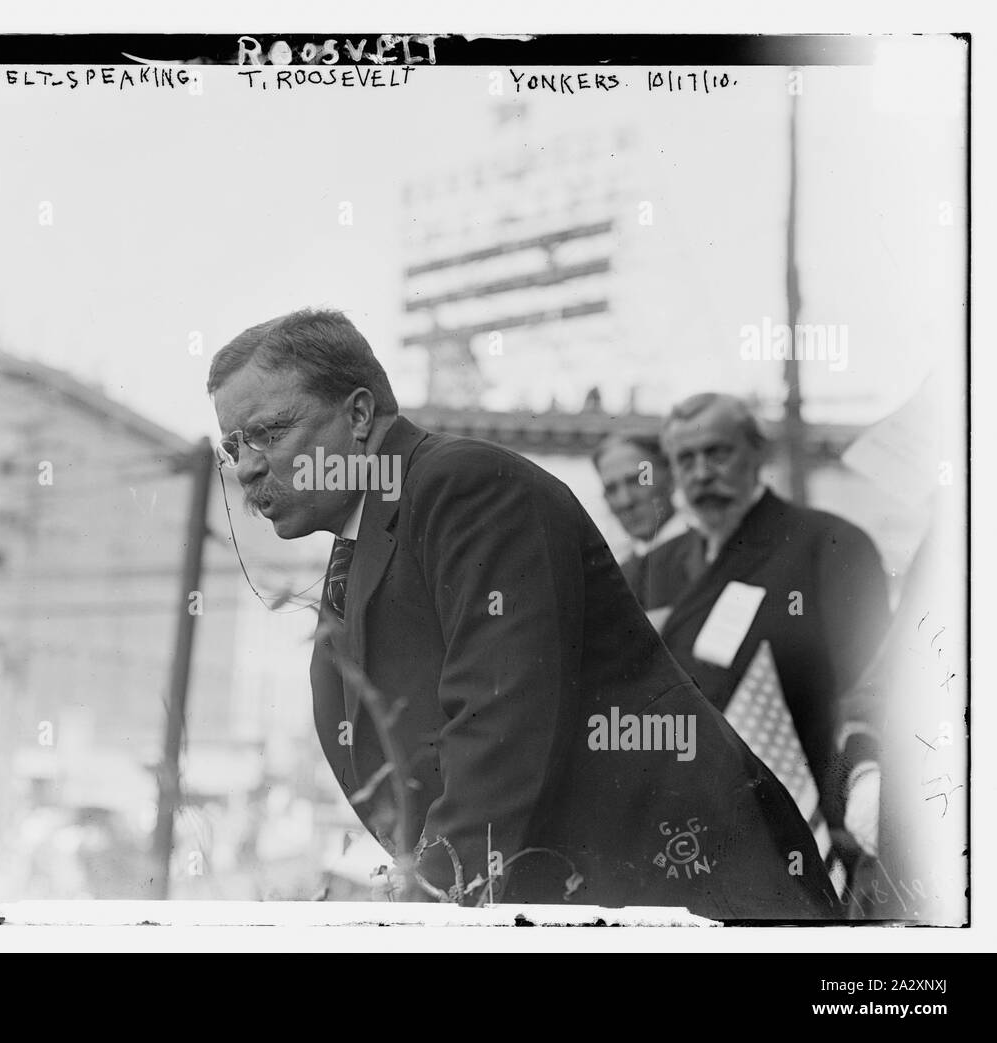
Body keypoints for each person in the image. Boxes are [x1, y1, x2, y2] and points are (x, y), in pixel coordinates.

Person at [207, 309, 838, 917]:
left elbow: (500, 726)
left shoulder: (461, 487)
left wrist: (424, 914)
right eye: (234, 444)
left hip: (686, 893)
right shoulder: (365, 540)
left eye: (269, 431)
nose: (247, 466)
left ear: (361, 413)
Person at [628, 393, 891, 882]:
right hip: (681, 829)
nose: (701, 472)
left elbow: (867, 689)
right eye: (686, 459)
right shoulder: (654, 570)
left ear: (757, 454)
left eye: (718, 452)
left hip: (806, 828)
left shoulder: (830, 547)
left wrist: (860, 780)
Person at [591, 432, 688, 601]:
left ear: (671, 479)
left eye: (638, 481)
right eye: (612, 489)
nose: (625, 501)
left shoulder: (702, 555)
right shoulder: (618, 572)